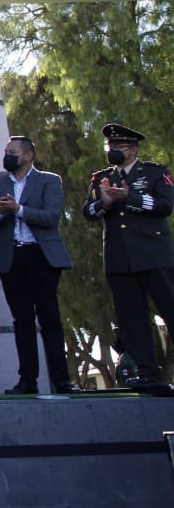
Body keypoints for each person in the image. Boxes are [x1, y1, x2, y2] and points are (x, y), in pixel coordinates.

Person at [0, 136, 78, 395]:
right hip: (11, 258)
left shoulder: (49, 180)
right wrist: (1, 211)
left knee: (50, 319)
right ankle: (27, 381)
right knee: (22, 320)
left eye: (12, 152)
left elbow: (52, 217)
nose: (7, 155)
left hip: (41, 256)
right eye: (5, 151)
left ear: (28, 155)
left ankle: (61, 380)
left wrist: (18, 209)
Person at [83, 122, 174, 390]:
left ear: (133, 150)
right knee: (132, 318)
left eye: (119, 147)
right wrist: (106, 202)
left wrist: (129, 197)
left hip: (153, 254)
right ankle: (148, 373)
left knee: (169, 308)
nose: (113, 151)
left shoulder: (156, 173)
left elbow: (165, 206)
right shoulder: (100, 178)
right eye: (110, 146)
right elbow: (88, 213)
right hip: (119, 258)